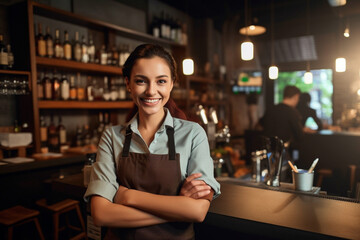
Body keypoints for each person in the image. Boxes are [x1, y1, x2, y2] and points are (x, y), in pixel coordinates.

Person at [84, 43, 220, 240]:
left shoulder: (193, 134)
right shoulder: (112, 136)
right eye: (141, 81)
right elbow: (102, 214)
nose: (151, 91)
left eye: (161, 81)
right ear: (128, 84)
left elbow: (197, 212)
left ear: (172, 84)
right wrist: (177, 209)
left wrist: (128, 196)